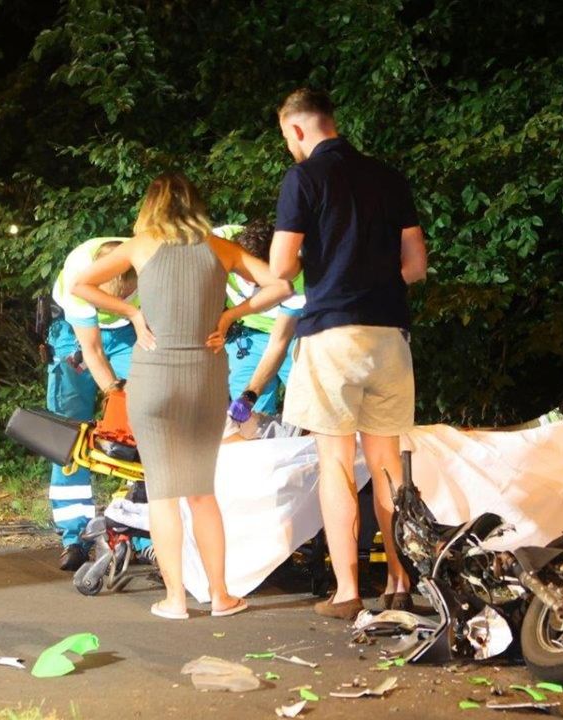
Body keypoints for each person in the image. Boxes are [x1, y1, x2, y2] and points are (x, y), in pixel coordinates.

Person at [72, 172, 292, 620]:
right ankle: (221, 596)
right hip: (204, 380)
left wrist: (132, 312)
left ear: (151, 206)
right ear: (195, 203)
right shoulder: (219, 247)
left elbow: (80, 286)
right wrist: (231, 314)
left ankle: (174, 600)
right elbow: (282, 286)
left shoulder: (139, 247)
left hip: (152, 381)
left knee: (163, 493)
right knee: (201, 493)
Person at [269, 88, 429, 619]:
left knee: (336, 464)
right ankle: (400, 582)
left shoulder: (303, 179)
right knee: (387, 464)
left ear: (297, 130)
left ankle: (346, 592)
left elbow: (281, 268)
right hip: (389, 334)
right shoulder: (388, 176)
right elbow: (416, 264)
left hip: (332, 333)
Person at [45, 237, 142, 570]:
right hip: (75, 335)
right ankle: (74, 537)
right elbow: (94, 351)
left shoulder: (147, 262)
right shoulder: (78, 280)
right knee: (69, 438)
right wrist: (117, 396)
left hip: (130, 332)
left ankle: (141, 531)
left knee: (144, 427)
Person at [213, 219, 307, 423]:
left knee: (308, 409)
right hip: (246, 339)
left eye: (259, 280)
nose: (250, 283)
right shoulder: (222, 242)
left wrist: (251, 394)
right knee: (249, 419)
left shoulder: (295, 273)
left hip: (293, 340)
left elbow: (279, 343)